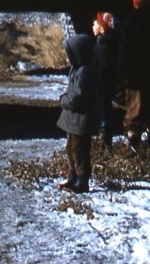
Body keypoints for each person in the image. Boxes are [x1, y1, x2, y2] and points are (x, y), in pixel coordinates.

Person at [119, 0, 150, 151]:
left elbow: (124, 50)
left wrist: (123, 72)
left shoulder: (129, 21)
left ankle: (133, 141)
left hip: (134, 76)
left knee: (134, 109)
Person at [57, 22, 99, 193]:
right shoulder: (77, 70)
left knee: (79, 151)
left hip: (81, 121)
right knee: (71, 148)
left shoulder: (84, 73)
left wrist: (64, 100)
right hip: (74, 121)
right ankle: (73, 175)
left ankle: (82, 180)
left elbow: (78, 97)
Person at [91, 11, 121, 146]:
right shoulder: (106, 43)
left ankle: (105, 135)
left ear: (102, 28)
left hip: (102, 83)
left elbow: (102, 67)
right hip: (105, 82)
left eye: (95, 24)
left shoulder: (104, 45)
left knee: (104, 109)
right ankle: (105, 134)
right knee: (104, 108)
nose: (92, 27)